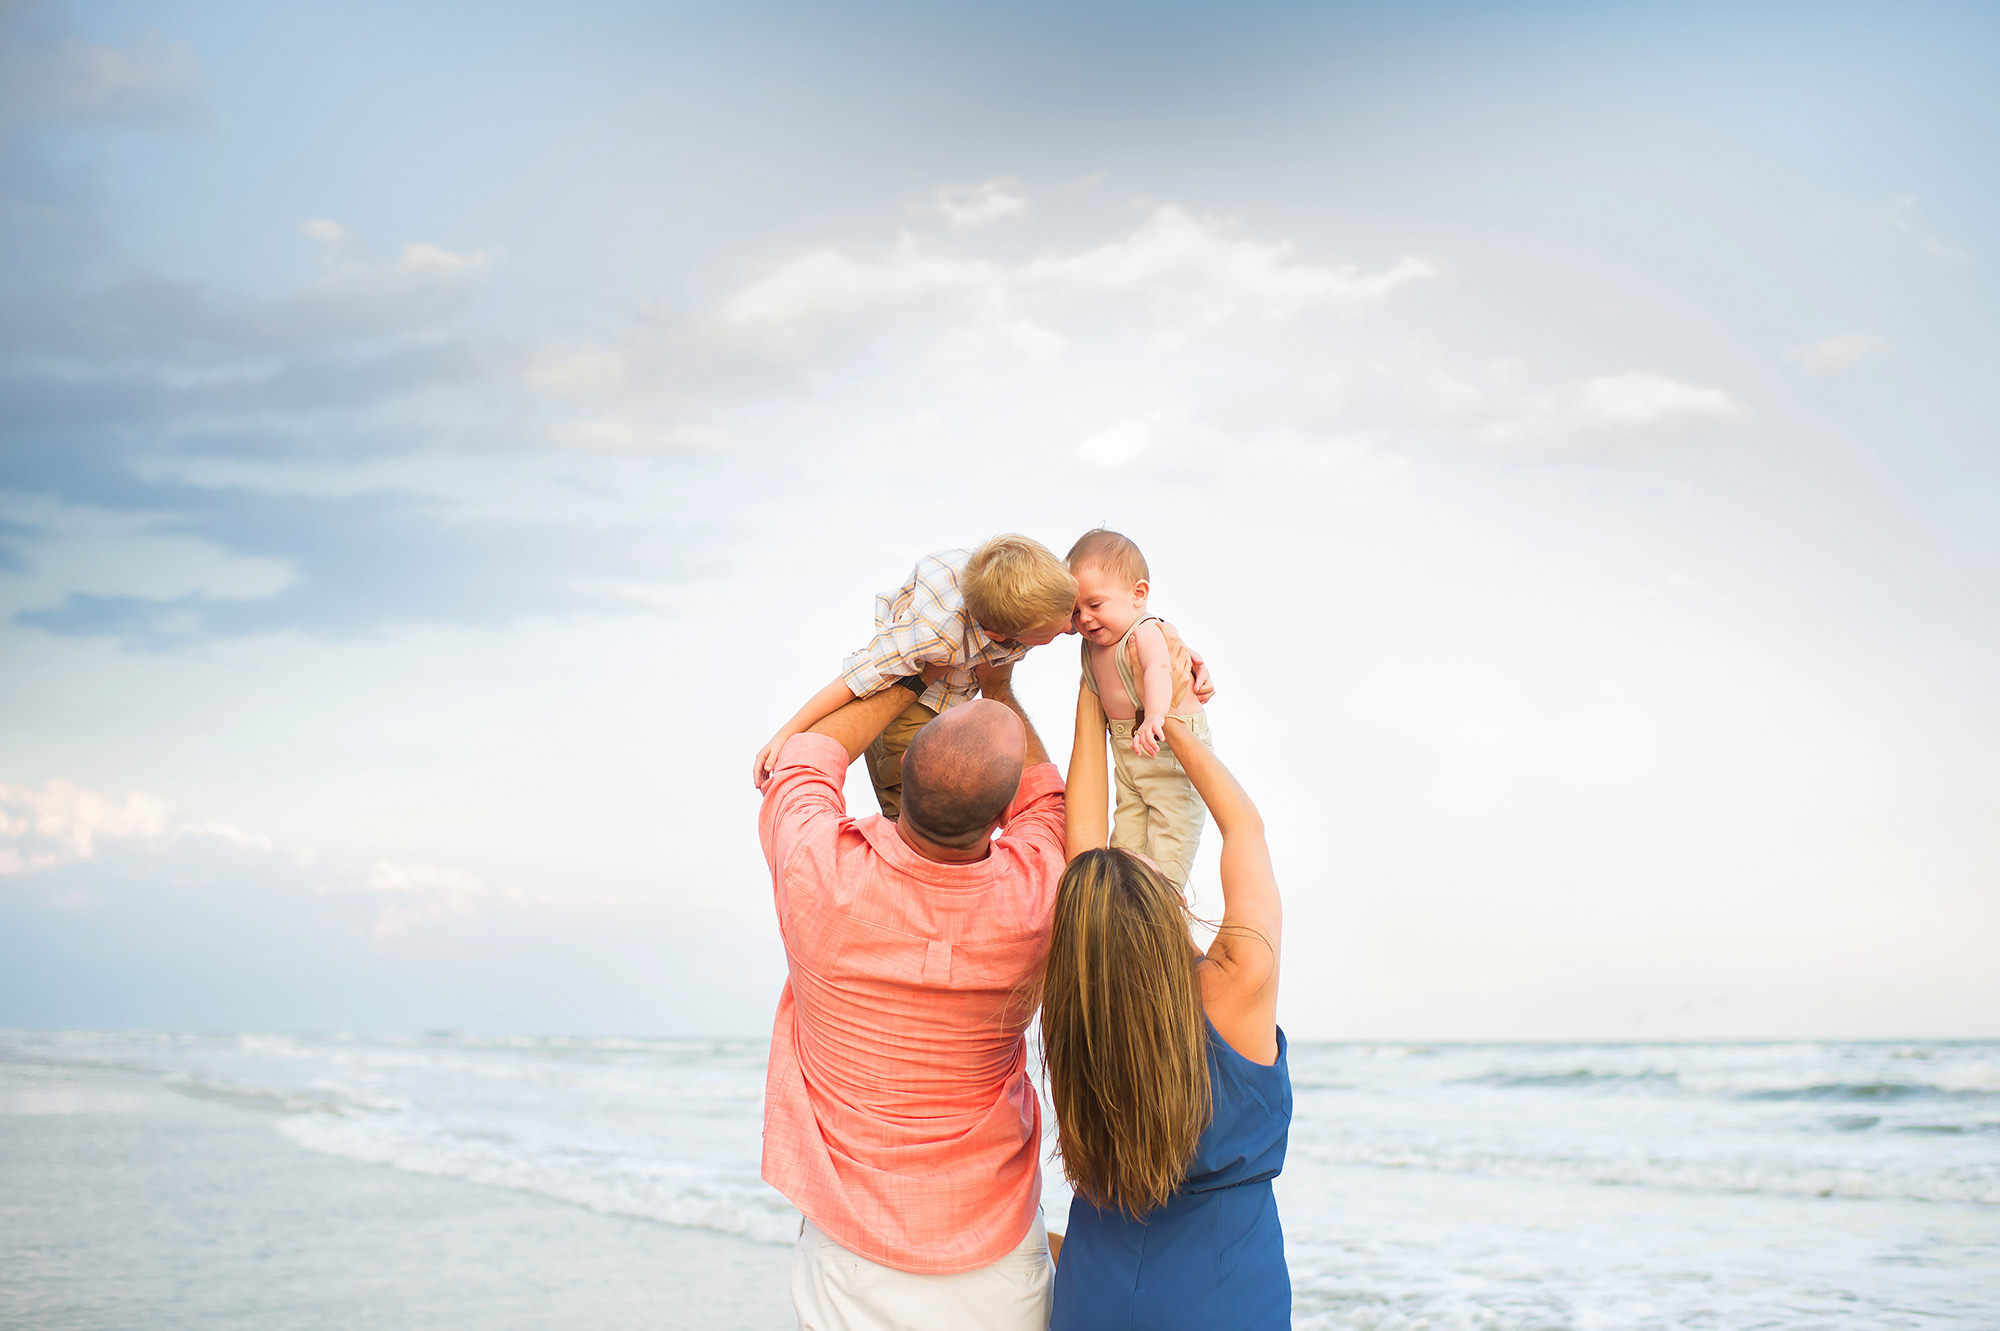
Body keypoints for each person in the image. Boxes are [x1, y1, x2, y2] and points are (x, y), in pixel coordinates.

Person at [756, 662, 1067, 1330]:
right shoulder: (1039, 897)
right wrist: (1000, 686)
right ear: (996, 816)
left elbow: (806, 762)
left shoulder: (818, 870)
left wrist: (909, 676)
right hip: (995, 1246)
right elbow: (1048, 805)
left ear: (899, 780)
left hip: (848, 1247)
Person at [1041, 633, 1292, 1330]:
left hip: (1094, 1293)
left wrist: (1096, 688)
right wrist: (1173, 721)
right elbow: (1243, 827)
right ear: (1168, 906)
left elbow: (1087, 852)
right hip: (1222, 1299)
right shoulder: (1236, 985)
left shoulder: (1079, 1015)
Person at [751, 535, 1079, 820]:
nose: (1071, 627)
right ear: (998, 634)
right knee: (921, 806)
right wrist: (785, 735)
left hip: (955, 699)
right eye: (1052, 633)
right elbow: (853, 682)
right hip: (913, 708)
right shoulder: (934, 635)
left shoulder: (1020, 577)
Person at [1067, 528, 1214, 887]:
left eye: (1095, 605)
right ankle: (1123, 907)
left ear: (1138, 594)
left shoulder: (1145, 631)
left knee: (1167, 851)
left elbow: (1158, 670)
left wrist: (1154, 716)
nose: (1084, 618)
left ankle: (1163, 914)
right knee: (1125, 847)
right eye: (1075, 610)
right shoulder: (1092, 643)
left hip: (1167, 753)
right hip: (1130, 758)